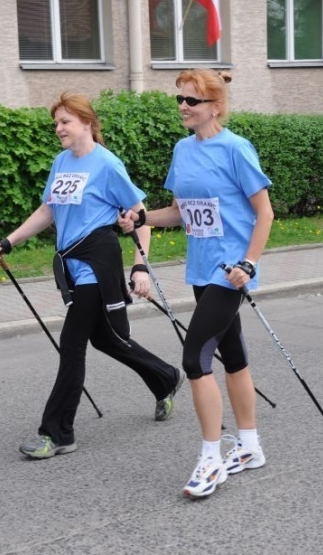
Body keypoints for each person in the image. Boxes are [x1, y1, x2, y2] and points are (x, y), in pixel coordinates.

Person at [0, 92, 184, 460]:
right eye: (56, 123)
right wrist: (7, 242)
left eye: (65, 122)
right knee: (107, 339)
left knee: (72, 342)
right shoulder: (62, 162)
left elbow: (139, 215)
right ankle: (165, 377)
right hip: (71, 266)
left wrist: (140, 266)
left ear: (87, 123)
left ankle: (57, 432)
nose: (58, 128)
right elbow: (48, 210)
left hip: (97, 264)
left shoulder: (107, 165)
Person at [120, 69, 275, 498]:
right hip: (200, 269)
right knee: (235, 355)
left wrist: (250, 262)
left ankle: (210, 459)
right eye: (180, 101)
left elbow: (265, 213)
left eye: (193, 101)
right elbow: (180, 212)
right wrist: (143, 217)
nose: (184, 107)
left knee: (195, 359)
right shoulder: (182, 150)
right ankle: (249, 446)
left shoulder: (236, 149)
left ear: (216, 106)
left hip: (230, 273)